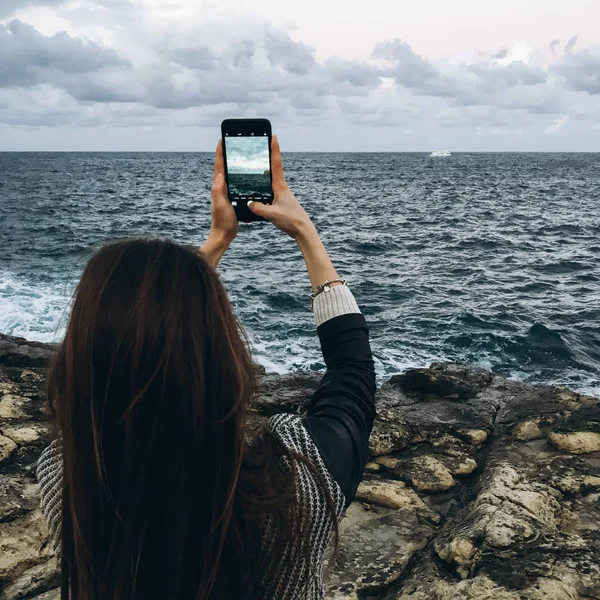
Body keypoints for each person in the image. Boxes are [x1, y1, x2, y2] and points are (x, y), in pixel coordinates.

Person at [36, 136, 376, 600]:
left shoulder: (67, 474)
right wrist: (305, 233)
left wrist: (216, 243)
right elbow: (352, 374)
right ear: (224, 354)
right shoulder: (294, 483)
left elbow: (141, 347)